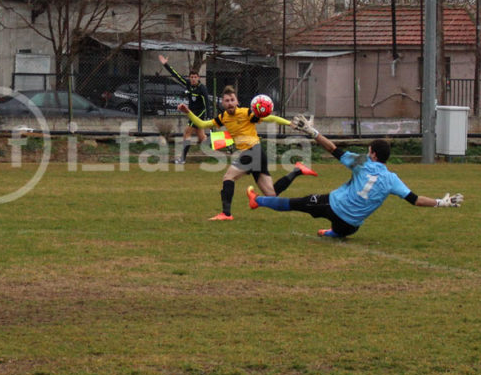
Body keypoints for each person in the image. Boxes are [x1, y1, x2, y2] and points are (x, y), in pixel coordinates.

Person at [246, 115, 464, 238]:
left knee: (294, 203)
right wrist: (440, 202)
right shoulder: (392, 178)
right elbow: (415, 200)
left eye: (369, 149)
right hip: (351, 226)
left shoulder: (362, 163)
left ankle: (258, 201)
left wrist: (312, 133)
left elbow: (334, 149)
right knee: (340, 228)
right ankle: (332, 233)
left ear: (373, 154)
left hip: (332, 206)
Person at [178, 86, 317, 221]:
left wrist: (289, 123)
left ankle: (226, 214)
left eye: (232, 100)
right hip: (256, 153)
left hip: (252, 151)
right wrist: (188, 112)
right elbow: (202, 124)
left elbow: (270, 118)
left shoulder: (246, 113)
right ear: (223, 103)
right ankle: (297, 170)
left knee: (228, 177)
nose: (230, 103)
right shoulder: (222, 117)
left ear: (237, 101)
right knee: (271, 194)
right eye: (227, 100)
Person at [158, 54, 209, 164]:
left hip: (199, 114)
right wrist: (166, 64)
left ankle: (182, 159)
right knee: (202, 138)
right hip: (192, 113)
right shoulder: (188, 84)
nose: (193, 79)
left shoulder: (202, 88)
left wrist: (208, 117)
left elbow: (207, 103)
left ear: (198, 78)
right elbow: (176, 75)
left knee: (186, 133)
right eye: (192, 77)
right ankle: (225, 143)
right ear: (189, 78)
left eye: (195, 77)